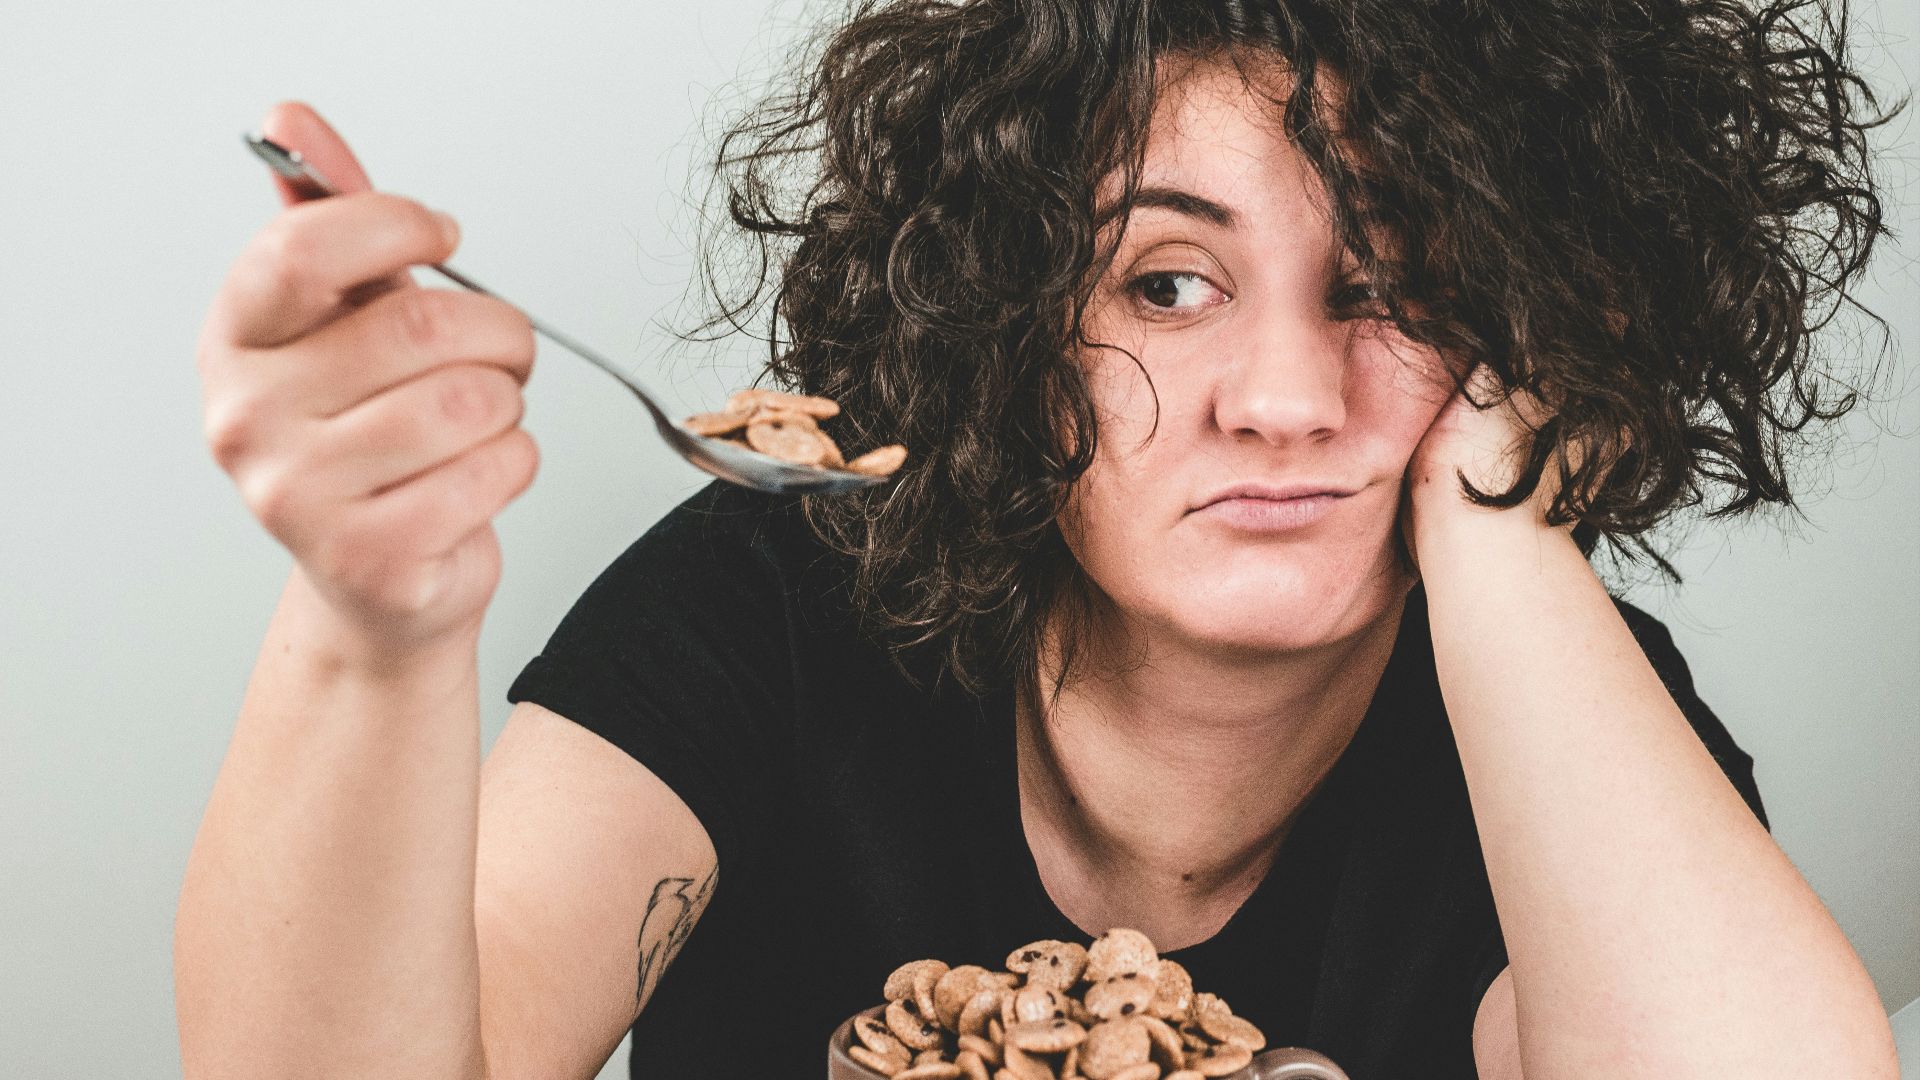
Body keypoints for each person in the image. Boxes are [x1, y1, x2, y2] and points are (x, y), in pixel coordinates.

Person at [175, 1, 1905, 1077]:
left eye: (1393, 289)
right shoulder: (772, 604)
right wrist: (370, 627)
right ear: (1009, 316)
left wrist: (1514, 534)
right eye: (1168, 282)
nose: (1287, 398)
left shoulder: (1557, 712)